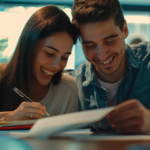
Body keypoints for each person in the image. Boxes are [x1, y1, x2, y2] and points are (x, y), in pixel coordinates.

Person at [69, 0, 150, 134]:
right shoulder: (71, 86)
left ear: (124, 29)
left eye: (110, 41)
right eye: (90, 46)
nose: (102, 55)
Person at [0, 5, 78, 121]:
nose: (57, 65)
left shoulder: (67, 90)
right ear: (29, 47)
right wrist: (10, 117)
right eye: (49, 54)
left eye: (64, 57)